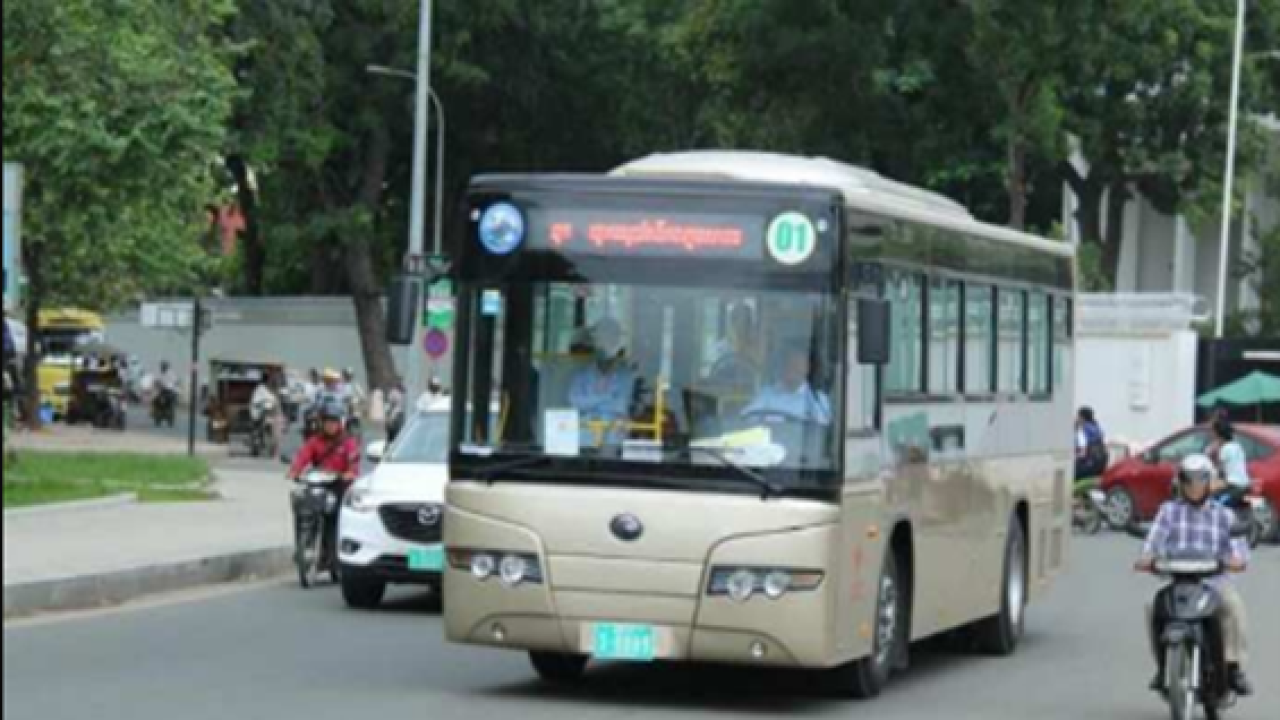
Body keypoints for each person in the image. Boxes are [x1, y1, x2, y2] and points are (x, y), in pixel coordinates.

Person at [1136, 454, 1252, 697]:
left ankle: (1233, 668)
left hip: (1213, 582)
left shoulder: (1224, 515)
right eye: (1189, 480)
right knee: (1151, 606)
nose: (1194, 487)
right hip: (1178, 581)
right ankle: (1163, 665)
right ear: (1180, 482)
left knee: (1233, 606)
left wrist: (1236, 561)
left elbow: (1239, 552)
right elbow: (1152, 541)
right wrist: (1147, 557)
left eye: (1200, 480)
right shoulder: (1168, 512)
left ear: (1209, 482)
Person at [569, 319, 638, 442]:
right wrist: (608, 397)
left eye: (610, 338)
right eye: (601, 338)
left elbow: (622, 405)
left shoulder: (626, 376)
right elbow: (575, 402)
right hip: (583, 441)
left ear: (617, 341)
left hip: (613, 443)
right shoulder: (581, 375)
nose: (605, 344)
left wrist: (591, 402)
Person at [741, 345, 832, 425]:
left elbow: (820, 429)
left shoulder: (818, 400)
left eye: (798, 365)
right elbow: (747, 417)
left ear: (807, 369)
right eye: (790, 364)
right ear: (784, 366)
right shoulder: (767, 394)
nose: (792, 369)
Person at [288, 400, 361, 487]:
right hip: (318, 482)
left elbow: (353, 463)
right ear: (322, 423)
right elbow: (303, 456)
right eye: (327, 421)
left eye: (334, 421)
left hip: (341, 484)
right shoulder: (314, 440)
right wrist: (295, 470)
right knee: (298, 496)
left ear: (340, 423)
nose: (330, 425)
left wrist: (350, 473)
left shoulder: (348, 442)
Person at [708, 303, 761, 387]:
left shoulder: (758, 349)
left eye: (746, 322)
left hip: (750, 390)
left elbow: (759, 373)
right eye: (736, 320)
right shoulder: (720, 347)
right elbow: (713, 373)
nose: (741, 326)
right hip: (723, 390)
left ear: (750, 324)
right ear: (732, 323)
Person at [1210, 420, 1252, 499]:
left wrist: (1213, 451)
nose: (1212, 435)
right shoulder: (1237, 445)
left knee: (1211, 499)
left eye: (1213, 433)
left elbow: (1219, 471)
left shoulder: (1225, 449)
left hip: (1233, 486)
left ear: (1219, 435)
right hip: (1245, 484)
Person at [1075, 407, 1109, 480]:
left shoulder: (1083, 429)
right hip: (1101, 464)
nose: (1076, 418)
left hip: (1089, 464)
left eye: (1077, 416)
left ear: (1082, 417)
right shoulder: (1097, 427)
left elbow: (1082, 451)